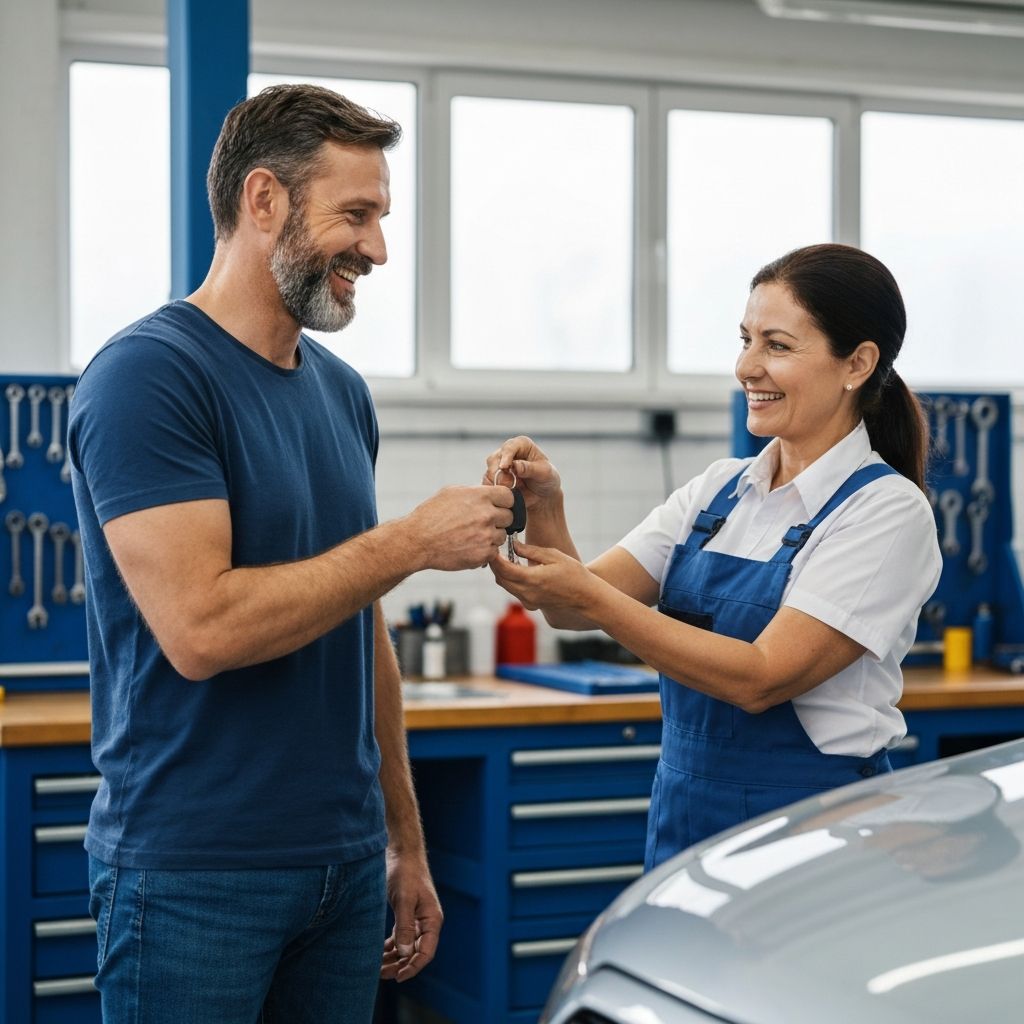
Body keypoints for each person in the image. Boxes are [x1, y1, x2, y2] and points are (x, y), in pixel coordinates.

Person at [68, 84, 514, 1024]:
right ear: (262, 200)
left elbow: (364, 631)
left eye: (382, 217)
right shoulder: (150, 377)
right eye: (355, 215)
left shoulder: (342, 393)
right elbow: (202, 628)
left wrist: (403, 838)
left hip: (345, 869)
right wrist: (406, 543)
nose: (378, 249)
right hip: (194, 876)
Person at [485, 243, 942, 871]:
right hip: (685, 808)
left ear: (857, 363)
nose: (747, 367)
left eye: (777, 346)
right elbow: (574, 609)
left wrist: (592, 598)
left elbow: (760, 678)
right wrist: (546, 507)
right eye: (746, 339)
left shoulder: (885, 512)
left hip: (816, 827)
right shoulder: (720, 490)